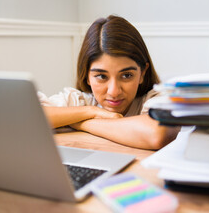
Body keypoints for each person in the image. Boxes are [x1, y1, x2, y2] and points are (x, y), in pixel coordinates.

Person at [38, 15, 179, 150]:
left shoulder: (157, 99)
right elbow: (27, 117)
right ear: (87, 75)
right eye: (101, 76)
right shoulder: (82, 102)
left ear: (142, 73)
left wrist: (81, 123)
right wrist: (91, 111)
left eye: (126, 75)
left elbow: (157, 134)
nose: (114, 91)